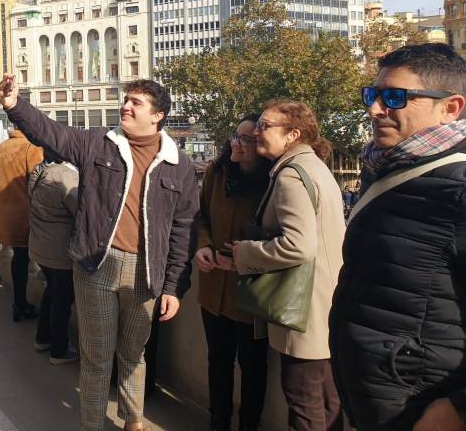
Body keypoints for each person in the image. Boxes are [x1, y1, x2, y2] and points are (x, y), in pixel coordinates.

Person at [0, 76, 198, 431]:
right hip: (97, 265)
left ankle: (133, 419)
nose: (126, 106)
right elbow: (50, 132)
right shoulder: (97, 144)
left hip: (146, 271)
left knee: (134, 354)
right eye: (126, 99)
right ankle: (92, 425)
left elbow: (183, 230)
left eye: (136, 102)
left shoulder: (178, 164)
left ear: (158, 115)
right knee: (97, 358)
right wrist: (16, 105)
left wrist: (173, 287)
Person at [330, 43, 466, 431]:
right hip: (376, 402)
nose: (375, 109)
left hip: (419, 408)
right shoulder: (388, 170)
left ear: (450, 108)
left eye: (395, 98)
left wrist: (457, 409)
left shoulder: (456, 190)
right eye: (372, 95)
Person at [231, 99, 345, 431]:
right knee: (328, 401)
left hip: (302, 311)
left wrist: (245, 253)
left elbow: (299, 245)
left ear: (293, 134)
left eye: (265, 126)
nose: (256, 132)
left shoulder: (291, 175)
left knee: (304, 402)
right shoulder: (313, 166)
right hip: (324, 305)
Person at [193, 115, 271, 431]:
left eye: (246, 140)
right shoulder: (216, 172)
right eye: (234, 137)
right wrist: (203, 245)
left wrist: (245, 260)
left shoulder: (273, 181)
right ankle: (218, 420)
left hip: (251, 290)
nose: (236, 144)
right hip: (213, 285)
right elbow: (201, 218)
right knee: (218, 359)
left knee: (252, 366)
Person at [29, 146, 80, 365]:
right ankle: (59, 350)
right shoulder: (65, 176)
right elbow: (81, 210)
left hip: (41, 245)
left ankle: (43, 338)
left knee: (52, 292)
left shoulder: (40, 170)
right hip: (59, 249)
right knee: (62, 300)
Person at [0, 128, 44, 321]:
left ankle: (19, 303)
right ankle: (22, 305)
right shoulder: (31, 148)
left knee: (19, 258)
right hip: (25, 213)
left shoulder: (3, 146)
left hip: (6, 211)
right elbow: (39, 182)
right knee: (34, 259)